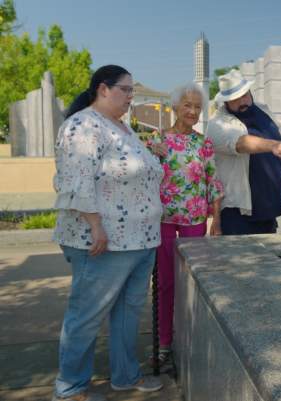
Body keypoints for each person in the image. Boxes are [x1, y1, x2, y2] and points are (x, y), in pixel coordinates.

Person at [51, 65, 163, 401]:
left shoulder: (123, 128)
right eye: (126, 90)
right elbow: (75, 181)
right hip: (104, 241)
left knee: (129, 312)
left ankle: (125, 376)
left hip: (141, 239)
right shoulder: (83, 126)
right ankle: (70, 388)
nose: (131, 97)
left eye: (132, 91)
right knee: (86, 314)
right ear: (103, 88)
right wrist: (96, 225)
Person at [147, 83, 224, 369]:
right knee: (165, 283)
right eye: (187, 105)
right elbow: (147, 180)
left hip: (194, 219)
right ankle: (164, 342)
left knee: (192, 282)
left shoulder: (203, 143)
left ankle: (191, 337)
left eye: (197, 107)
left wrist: (216, 218)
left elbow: (212, 181)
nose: (192, 111)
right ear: (175, 107)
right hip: (164, 220)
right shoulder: (158, 139)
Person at [206, 69, 281, 235]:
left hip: (268, 209)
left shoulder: (263, 110)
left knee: (267, 259)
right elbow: (240, 143)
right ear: (225, 102)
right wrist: (272, 145)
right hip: (238, 213)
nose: (242, 101)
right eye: (235, 99)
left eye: (244, 95)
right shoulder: (217, 124)